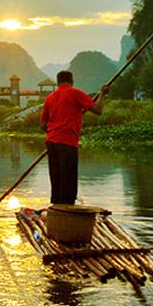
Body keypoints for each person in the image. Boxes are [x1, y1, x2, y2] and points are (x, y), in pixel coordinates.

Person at [40, 71, 108, 205]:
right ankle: (68, 211)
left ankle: (57, 210)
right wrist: (102, 94)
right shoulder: (75, 93)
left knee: (57, 178)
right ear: (72, 81)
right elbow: (98, 110)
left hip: (52, 142)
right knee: (68, 180)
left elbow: (43, 125)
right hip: (67, 142)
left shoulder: (50, 97)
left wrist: (55, 130)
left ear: (57, 82)